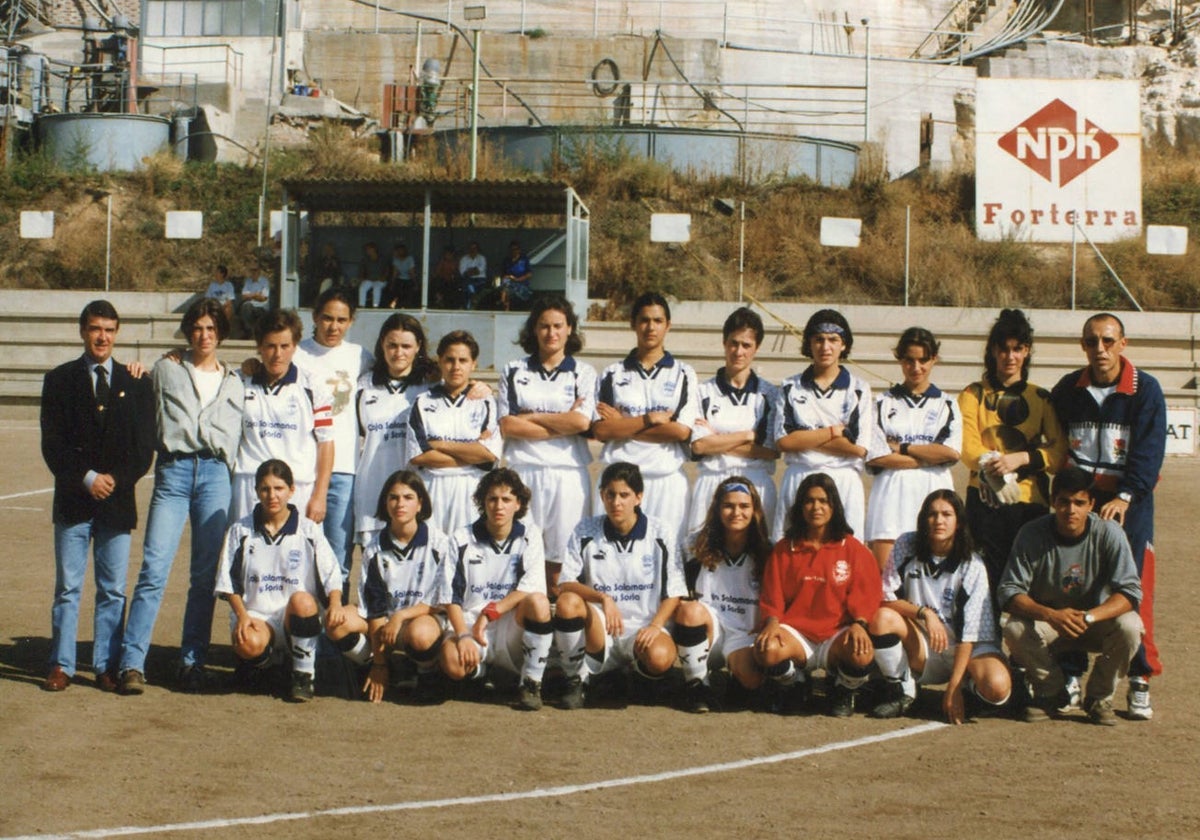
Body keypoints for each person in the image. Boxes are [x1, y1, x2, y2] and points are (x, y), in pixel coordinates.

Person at [118, 299, 245, 695]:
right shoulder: (166, 369)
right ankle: (131, 663)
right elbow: (138, 394)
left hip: (215, 475)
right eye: (197, 328)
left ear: (221, 333)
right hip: (173, 470)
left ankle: (192, 662)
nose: (203, 335)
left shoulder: (237, 380)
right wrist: (135, 372)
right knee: (154, 569)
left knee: (205, 577)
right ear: (188, 331)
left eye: (210, 328)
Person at [1050, 313, 1165, 721]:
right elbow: (1056, 443)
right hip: (1081, 506)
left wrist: (1126, 496)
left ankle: (1139, 679)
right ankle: (1071, 676)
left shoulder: (1145, 390)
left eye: (1108, 341)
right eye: (1092, 341)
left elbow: (1150, 454)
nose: (1100, 349)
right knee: (1075, 586)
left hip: (1128, 508)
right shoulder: (1067, 389)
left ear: (1123, 343)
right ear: (1083, 345)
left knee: (1133, 593)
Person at [40, 300, 154, 692]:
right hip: (74, 499)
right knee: (68, 588)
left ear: (117, 332)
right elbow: (53, 446)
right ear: (82, 331)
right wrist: (87, 478)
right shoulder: (58, 380)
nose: (102, 336)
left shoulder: (136, 382)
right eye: (95, 328)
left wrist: (114, 480)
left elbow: (143, 450)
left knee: (112, 589)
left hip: (117, 501)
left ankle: (106, 664)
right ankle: (62, 664)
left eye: (109, 329)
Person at [997, 466, 1144, 726]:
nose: (1071, 510)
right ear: (1053, 502)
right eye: (1064, 502)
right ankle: (1051, 691)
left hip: (1093, 621)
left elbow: (1130, 593)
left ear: (1091, 504)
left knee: (1131, 626)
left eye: (1079, 503)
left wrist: (1089, 617)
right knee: (1014, 627)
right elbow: (1009, 592)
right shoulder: (1032, 534)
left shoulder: (1109, 533)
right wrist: (1052, 615)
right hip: (1050, 623)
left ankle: (1099, 697)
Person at [868, 490, 1012, 723]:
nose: (939, 521)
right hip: (925, 643)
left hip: (967, 648)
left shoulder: (972, 564)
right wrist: (924, 614)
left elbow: (970, 633)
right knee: (882, 617)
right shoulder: (907, 544)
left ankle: (967, 690)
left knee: (997, 687)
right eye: (932, 514)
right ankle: (904, 690)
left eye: (947, 514)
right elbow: (885, 597)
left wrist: (953, 685)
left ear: (959, 522)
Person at [554, 462, 687, 710]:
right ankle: (577, 680)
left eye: (624, 495)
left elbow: (675, 592)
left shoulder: (660, 532)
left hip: (643, 628)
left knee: (659, 658)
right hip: (601, 628)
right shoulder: (585, 529)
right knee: (567, 603)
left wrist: (656, 625)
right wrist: (603, 598)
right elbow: (565, 585)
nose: (616, 502)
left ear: (638, 497)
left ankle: (630, 677)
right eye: (610, 494)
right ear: (602, 495)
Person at [215, 459, 345, 703]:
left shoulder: (308, 530)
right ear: (256, 492)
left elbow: (331, 573)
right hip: (257, 616)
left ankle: (303, 675)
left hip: (295, 616)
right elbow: (227, 582)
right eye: (265, 489)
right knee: (248, 644)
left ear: (291, 490)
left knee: (304, 601)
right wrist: (242, 617)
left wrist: (336, 603)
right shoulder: (240, 530)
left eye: (278, 488)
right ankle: (268, 667)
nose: (272, 496)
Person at [754, 473, 882, 717]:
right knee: (766, 649)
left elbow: (867, 593)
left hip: (836, 633)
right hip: (798, 634)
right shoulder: (785, 548)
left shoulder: (852, 548)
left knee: (862, 651)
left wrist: (859, 624)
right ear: (800, 507)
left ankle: (842, 689)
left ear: (834, 506)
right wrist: (771, 623)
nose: (816, 507)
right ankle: (795, 684)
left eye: (823, 501)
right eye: (809, 501)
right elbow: (772, 594)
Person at [958, 308, 1066, 589]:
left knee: (1030, 581)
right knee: (984, 580)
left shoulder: (1041, 397)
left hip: (1030, 502)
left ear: (1027, 351)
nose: (1010, 356)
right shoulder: (972, 394)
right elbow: (967, 444)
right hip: (984, 500)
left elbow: (1058, 453)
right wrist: (993, 465)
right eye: (1004, 349)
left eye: (1017, 349)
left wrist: (1022, 458)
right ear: (993, 350)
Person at [326, 469, 453, 703]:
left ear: (420, 503)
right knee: (336, 623)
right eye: (393, 497)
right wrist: (379, 664)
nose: (400, 504)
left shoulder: (439, 543)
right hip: (386, 623)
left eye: (408, 497)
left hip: (422, 620)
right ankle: (384, 668)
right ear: (385, 503)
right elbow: (374, 608)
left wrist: (401, 616)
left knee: (421, 634)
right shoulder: (374, 548)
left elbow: (442, 601)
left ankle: (426, 672)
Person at [498, 296, 596, 594]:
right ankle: (531, 628)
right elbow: (507, 425)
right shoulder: (514, 369)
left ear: (569, 329)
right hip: (523, 471)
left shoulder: (584, 372)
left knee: (561, 564)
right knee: (521, 559)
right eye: (544, 326)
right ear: (534, 330)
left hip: (567, 473)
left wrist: (534, 417)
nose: (551, 333)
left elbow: (581, 424)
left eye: (558, 326)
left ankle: (560, 632)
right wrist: (561, 421)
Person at [441, 469, 554, 711]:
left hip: (511, 623)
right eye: (492, 499)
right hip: (471, 624)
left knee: (539, 603)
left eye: (506, 500)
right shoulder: (461, 538)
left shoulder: (530, 536)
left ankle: (531, 683)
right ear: (483, 502)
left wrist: (491, 612)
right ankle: (483, 673)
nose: (498, 506)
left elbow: (530, 588)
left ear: (518, 504)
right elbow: (450, 597)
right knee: (451, 662)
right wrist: (462, 635)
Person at [592, 292, 698, 544]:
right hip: (620, 483)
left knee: (667, 559)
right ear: (633, 324)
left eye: (658, 321)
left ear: (668, 325)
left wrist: (622, 423)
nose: (651, 327)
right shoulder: (612, 373)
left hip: (666, 480)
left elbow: (681, 432)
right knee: (612, 561)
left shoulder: (684, 373)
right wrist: (648, 420)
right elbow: (602, 432)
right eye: (644, 320)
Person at [293, 289, 374, 591]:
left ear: (351, 321)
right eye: (327, 318)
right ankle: (301, 631)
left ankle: (334, 631)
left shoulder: (359, 356)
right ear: (314, 317)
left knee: (338, 556)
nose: (333, 326)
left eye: (341, 320)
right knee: (300, 554)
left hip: (344, 469)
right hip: (302, 469)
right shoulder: (297, 354)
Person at [770, 309, 874, 541]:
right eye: (819, 339)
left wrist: (805, 438)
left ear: (844, 345)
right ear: (809, 343)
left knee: (843, 558)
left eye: (833, 340)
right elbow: (784, 441)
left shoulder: (859, 389)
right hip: (799, 476)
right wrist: (833, 432)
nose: (825, 347)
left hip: (844, 480)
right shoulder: (790, 387)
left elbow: (858, 447)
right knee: (792, 552)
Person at [864, 327, 962, 569]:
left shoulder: (947, 404)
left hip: (932, 494)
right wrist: (930, 456)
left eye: (923, 360)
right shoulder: (882, 403)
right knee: (886, 583)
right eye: (909, 360)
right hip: (890, 499)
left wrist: (903, 448)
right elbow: (876, 457)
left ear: (934, 359)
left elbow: (950, 453)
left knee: (932, 577)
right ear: (900, 360)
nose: (916, 367)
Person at [672, 477, 771, 713]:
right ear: (717, 509)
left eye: (744, 506)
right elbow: (675, 589)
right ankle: (697, 685)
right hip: (709, 630)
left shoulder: (768, 551)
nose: (736, 512)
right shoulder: (695, 545)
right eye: (728, 505)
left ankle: (737, 678)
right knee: (688, 610)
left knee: (751, 680)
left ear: (754, 510)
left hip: (744, 633)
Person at [232, 309, 334, 524]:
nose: (277, 354)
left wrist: (320, 495)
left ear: (295, 346)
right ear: (259, 346)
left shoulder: (313, 385)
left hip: (298, 487)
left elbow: (326, 443)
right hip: (248, 484)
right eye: (270, 346)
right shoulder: (240, 381)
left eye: (284, 346)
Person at [687, 306, 779, 538]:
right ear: (724, 343)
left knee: (759, 556)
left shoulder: (769, 394)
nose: (739, 351)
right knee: (703, 554)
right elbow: (699, 446)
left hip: (756, 482)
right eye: (734, 343)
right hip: (711, 481)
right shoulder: (702, 391)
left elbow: (770, 451)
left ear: (756, 348)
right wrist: (747, 435)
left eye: (746, 345)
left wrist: (715, 440)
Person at [406, 330, 502, 535]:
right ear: (440, 361)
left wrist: (439, 444)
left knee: (467, 555)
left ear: (473, 364)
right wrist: (471, 453)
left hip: (471, 488)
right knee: (432, 555)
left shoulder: (485, 401)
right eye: (449, 360)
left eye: (463, 360)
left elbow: (488, 456)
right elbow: (418, 456)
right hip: (432, 488)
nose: (456, 366)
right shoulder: (423, 402)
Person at [353, 313, 437, 546]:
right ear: (382, 345)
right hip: (372, 490)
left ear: (418, 346)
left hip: (415, 495)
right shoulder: (364, 385)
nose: (398, 352)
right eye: (392, 345)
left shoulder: (430, 387)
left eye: (406, 346)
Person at [237, 264, 271, 338]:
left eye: (255, 270)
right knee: (245, 307)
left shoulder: (264, 281)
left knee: (258, 312)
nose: (253, 273)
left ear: (259, 271)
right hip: (250, 305)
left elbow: (263, 298)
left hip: (261, 306)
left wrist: (250, 295)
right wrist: (256, 294)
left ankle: (259, 333)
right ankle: (248, 331)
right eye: (252, 271)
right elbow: (243, 296)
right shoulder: (248, 281)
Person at [498, 240, 533, 309]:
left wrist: (517, 279)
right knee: (506, 284)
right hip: (509, 284)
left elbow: (529, 274)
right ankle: (504, 305)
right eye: (512, 249)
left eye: (516, 249)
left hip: (522, 285)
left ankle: (503, 302)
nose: (514, 251)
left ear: (519, 250)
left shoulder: (524, 260)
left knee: (507, 289)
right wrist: (509, 277)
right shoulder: (507, 260)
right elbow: (503, 275)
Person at [357, 241, 387, 308]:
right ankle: (362, 306)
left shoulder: (382, 259)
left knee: (376, 288)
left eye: (369, 249)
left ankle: (375, 306)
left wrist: (384, 277)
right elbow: (361, 271)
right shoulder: (365, 259)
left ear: (374, 249)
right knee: (362, 287)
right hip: (370, 279)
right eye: (366, 249)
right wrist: (361, 279)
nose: (367, 251)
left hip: (380, 280)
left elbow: (387, 270)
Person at [430, 245, 461, 309]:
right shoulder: (442, 261)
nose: (448, 255)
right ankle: (439, 300)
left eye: (449, 254)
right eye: (446, 254)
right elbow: (437, 272)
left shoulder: (455, 262)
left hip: (452, 282)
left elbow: (456, 272)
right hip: (442, 281)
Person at [387, 243, 417, 309]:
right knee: (396, 289)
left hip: (409, 279)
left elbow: (412, 272)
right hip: (400, 279)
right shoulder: (395, 259)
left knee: (409, 290)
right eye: (398, 251)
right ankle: (395, 304)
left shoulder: (410, 258)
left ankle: (408, 305)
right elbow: (395, 273)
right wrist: (392, 284)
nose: (399, 252)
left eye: (401, 250)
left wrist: (415, 283)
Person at [459, 241, 487, 309]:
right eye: (471, 248)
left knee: (468, 288)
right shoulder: (464, 259)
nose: (473, 250)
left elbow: (479, 271)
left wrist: (470, 270)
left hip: (480, 280)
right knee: (467, 286)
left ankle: (470, 304)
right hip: (468, 279)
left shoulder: (482, 258)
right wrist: (474, 270)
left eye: (474, 248)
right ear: (468, 249)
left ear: (478, 249)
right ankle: (469, 305)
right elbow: (463, 273)